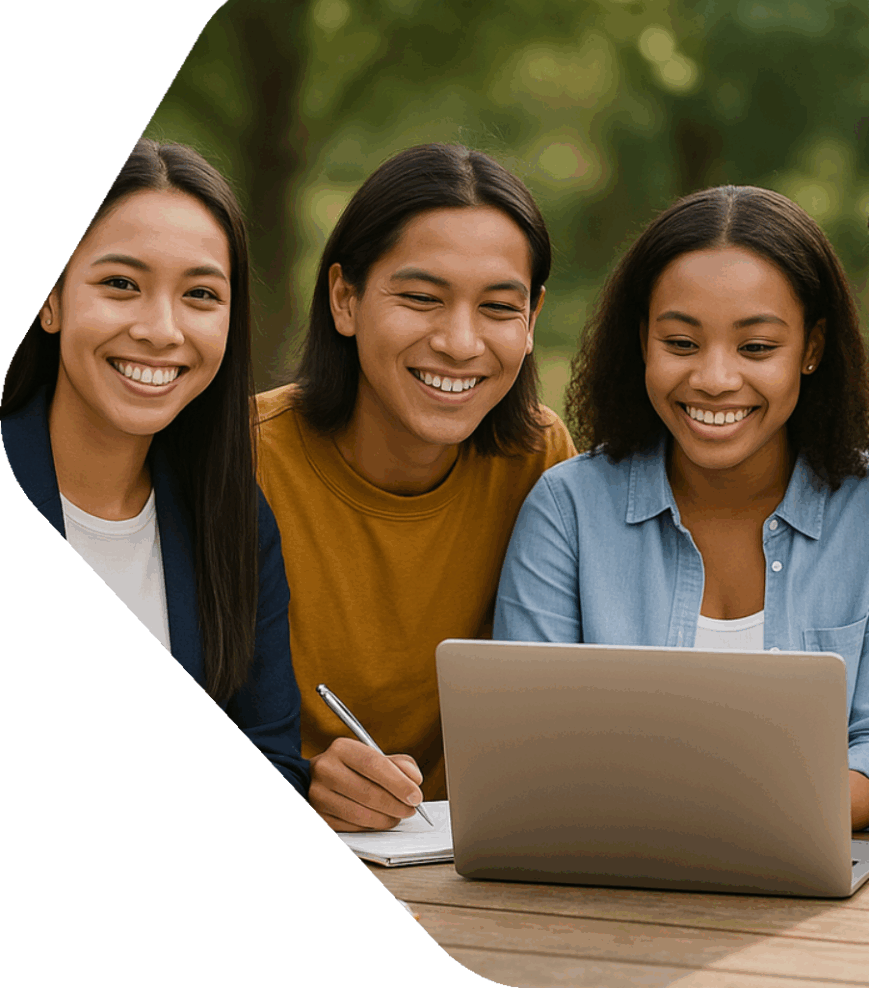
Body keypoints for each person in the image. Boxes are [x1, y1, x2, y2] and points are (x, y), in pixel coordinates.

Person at [493, 184, 869, 830]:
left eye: (755, 347)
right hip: (603, 889)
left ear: (810, 348)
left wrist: (726, 810)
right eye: (681, 343)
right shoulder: (568, 509)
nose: (714, 379)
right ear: (642, 341)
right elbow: (520, 745)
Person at [255, 143, 576, 830]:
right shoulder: (242, 458)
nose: (460, 343)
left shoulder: (538, 459)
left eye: (497, 306)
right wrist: (295, 778)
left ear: (532, 320)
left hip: (471, 858)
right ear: (345, 298)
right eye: (421, 299)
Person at [1, 138, 309, 797]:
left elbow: (271, 767)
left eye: (200, 294)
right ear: (48, 300)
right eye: (121, 284)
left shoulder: (231, 519)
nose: (162, 329)